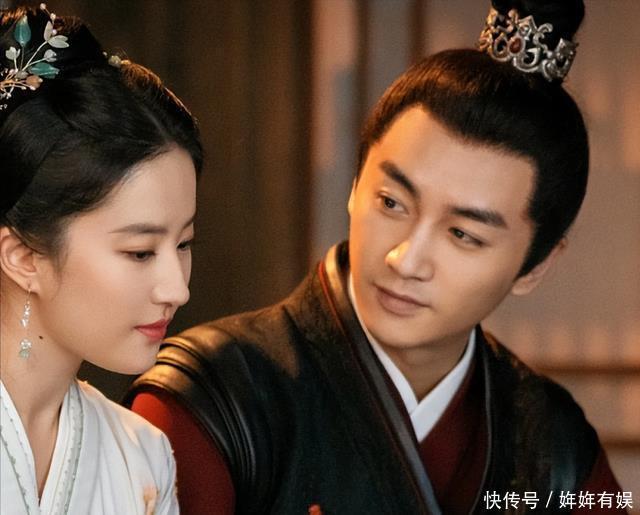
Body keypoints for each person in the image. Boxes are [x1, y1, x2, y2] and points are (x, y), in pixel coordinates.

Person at [128, 0, 627, 513]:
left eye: (463, 234)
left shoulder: (556, 447)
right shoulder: (211, 402)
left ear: (536, 265)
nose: (406, 260)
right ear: (354, 186)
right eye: (391, 203)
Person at [1, 5, 202, 514]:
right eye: (140, 251)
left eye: (183, 244)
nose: (177, 289)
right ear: (23, 257)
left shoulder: (143, 459)